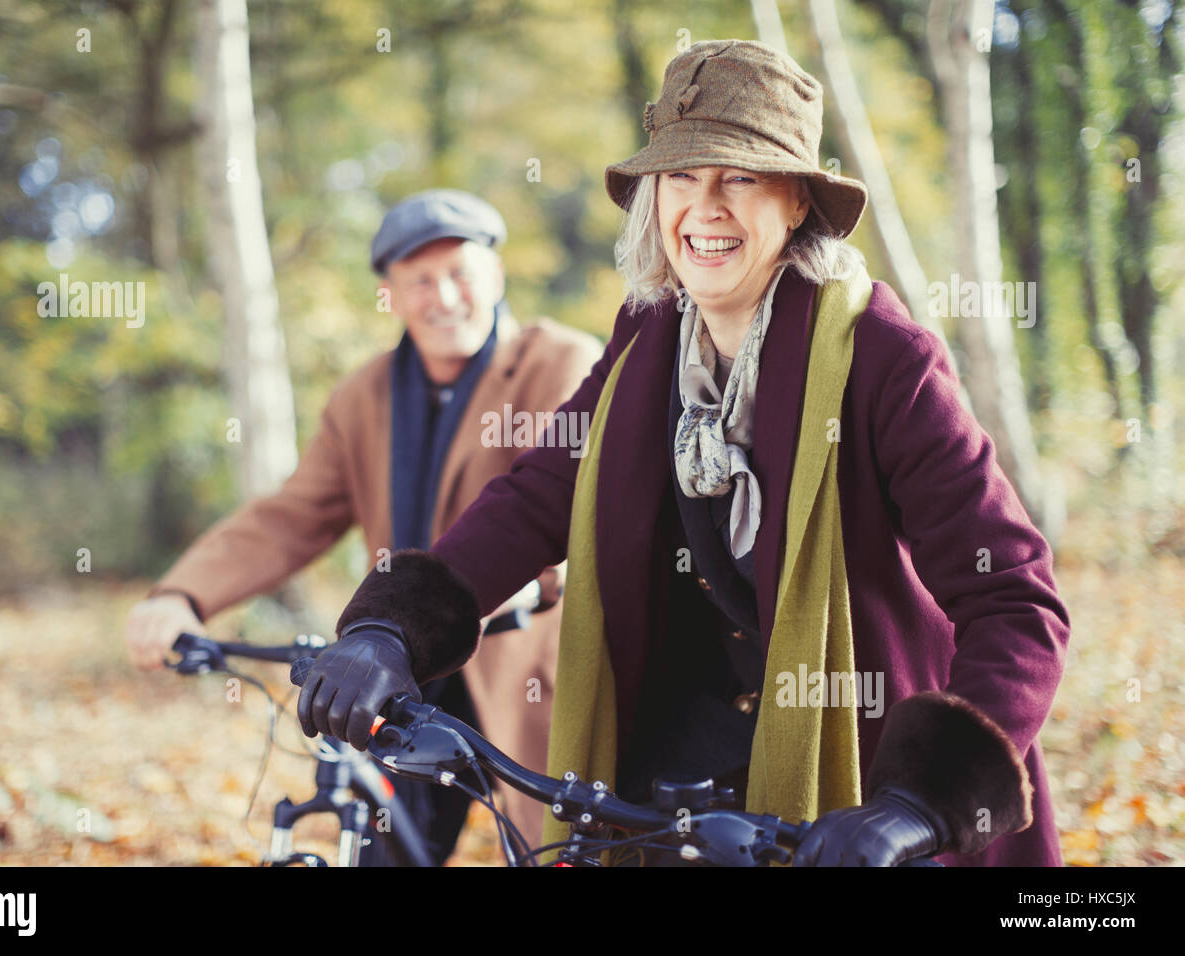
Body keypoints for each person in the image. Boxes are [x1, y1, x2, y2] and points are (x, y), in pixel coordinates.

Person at [295, 41, 1071, 866]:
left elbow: (1017, 605)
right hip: (673, 793)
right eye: (679, 177)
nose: (704, 208)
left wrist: (917, 803)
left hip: (857, 798)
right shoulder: (647, 334)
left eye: (739, 176)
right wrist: (390, 627)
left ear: (799, 202)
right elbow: (539, 496)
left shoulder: (881, 356)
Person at [124, 189, 601, 864]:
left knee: (561, 855)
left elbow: (566, 508)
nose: (444, 296)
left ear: (495, 275)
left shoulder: (561, 361)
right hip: (402, 681)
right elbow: (293, 515)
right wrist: (184, 594)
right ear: (391, 294)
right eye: (420, 280)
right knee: (387, 855)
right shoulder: (363, 395)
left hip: (528, 671)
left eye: (461, 272)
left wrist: (535, 585)